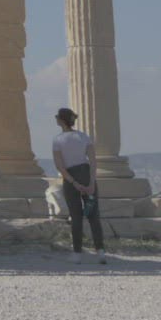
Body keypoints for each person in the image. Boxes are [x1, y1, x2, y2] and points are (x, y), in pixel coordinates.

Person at [52, 108, 106, 264]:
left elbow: (59, 166)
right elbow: (93, 161)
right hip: (86, 173)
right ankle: (100, 252)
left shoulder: (57, 140)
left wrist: (73, 182)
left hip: (71, 177)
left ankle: (77, 254)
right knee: (94, 215)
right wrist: (91, 182)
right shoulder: (84, 136)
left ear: (61, 120)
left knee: (76, 217)